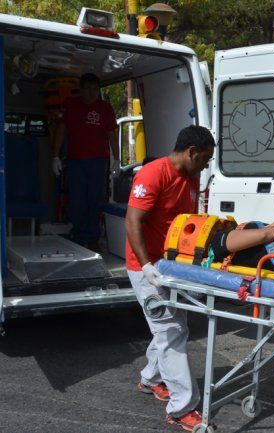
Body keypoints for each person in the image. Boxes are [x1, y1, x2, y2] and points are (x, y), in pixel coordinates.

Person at [125, 126, 216, 431]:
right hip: (145, 266)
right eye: (204, 159)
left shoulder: (191, 177)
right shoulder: (153, 174)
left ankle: (151, 378)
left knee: (173, 327)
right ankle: (181, 408)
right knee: (171, 330)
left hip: (170, 265)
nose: (205, 165)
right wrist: (146, 265)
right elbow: (133, 220)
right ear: (191, 151)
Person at [51, 73, 119, 250]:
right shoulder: (70, 105)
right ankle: (78, 234)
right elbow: (61, 130)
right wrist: (55, 156)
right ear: (81, 90)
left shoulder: (105, 108)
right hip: (76, 161)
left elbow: (112, 134)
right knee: (77, 199)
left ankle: (93, 237)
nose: (91, 93)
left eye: (95, 90)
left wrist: (117, 159)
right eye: (88, 89)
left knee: (95, 199)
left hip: (98, 161)